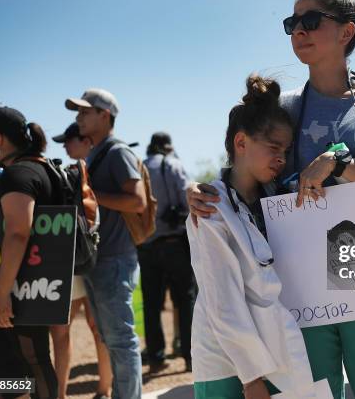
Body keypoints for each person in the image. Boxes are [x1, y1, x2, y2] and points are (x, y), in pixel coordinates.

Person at [188, 0, 355, 397]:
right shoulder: (283, 109)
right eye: (292, 24)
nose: (298, 32)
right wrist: (200, 190)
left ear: (347, 32)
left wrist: (343, 165)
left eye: (310, 21)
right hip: (298, 292)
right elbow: (245, 169)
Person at [189, 75, 321, 399]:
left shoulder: (279, 199)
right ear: (241, 143)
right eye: (273, 147)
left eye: (286, 150)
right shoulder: (210, 207)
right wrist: (251, 378)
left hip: (277, 353)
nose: (281, 158)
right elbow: (223, 300)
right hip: (227, 362)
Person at [0, 107, 58, 398]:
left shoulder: (17, 174)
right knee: (15, 357)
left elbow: (18, 232)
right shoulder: (40, 167)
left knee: (31, 359)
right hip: (36, 280)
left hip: (23, 286)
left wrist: (3, 293)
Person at [65, 89, 145, 399]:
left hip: (114, 261)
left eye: (85, 112)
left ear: (105, 116)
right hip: (100, 260)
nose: (78, 118)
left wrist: (89, 198)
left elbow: (137, 202)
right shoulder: (97, 153)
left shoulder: (116, 152)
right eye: (78, 112)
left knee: (121, 341)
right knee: (112, 341)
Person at [50, 123, 112, 399]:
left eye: (69, 140)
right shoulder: (90, 169)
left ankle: (66, 393)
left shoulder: (73, 172)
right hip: (92, 255)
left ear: (84, 140)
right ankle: (103, 389)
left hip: (73, 258)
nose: (64, 145)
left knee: (63, 330)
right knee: (95, 328)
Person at [138, 132, 194, 372]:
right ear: (168, 147)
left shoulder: (139, 167)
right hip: (175, 243)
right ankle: (190, 356)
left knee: (151, 305)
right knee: (186, 299)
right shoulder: (172, 164)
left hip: (146, 245)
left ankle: (156, 358)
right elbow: (189, 201)